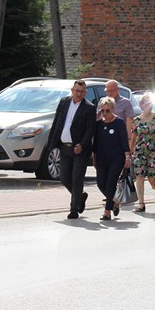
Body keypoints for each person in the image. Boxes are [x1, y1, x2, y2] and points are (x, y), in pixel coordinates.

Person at [46, 79, 96, 219]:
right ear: (72, 90)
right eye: (76, 91)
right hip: (64, 147)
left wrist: (82, 145)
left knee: (77, 178)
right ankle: (80, 196)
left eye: (82, 92)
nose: (79, 94)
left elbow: (90, 130)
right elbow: (57, 122)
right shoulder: (64, 102)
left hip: (80, 150)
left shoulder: (89, 107)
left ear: (85, 93)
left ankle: (74, 209)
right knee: (64, 178)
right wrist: (51, 144)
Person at [94, 97, 131, 221]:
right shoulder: (99, 124)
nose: (104, 113)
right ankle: (114, 201)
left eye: (107, 111)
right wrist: (94, 157)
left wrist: (127, 157)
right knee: (101, 183)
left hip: (116, 158)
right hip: (101, 158)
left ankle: (107, 211)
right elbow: (96, 143)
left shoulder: (119, 122)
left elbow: (124, 141)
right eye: (102, 111)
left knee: (111, 183)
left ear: (113, 110)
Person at [128, 94, 155, 212]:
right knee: (139, 176)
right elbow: (133, 138)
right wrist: (129, 154)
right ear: (141, 105)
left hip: (153, 151)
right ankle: (141, 203)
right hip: (139, 151)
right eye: (145, 103)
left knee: (152, 177)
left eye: (149, 102)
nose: (148, 105)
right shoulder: (137, 120)